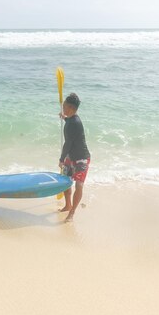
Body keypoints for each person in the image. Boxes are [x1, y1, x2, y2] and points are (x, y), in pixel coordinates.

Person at [58, 93, 91, 222]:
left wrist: (61, 159)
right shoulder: (71, 119)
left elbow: (68, 143)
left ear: (71, 108)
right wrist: (64, 118)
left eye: (64, 107)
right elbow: (70, 122)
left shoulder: (74, 123)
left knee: (78, 185)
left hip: (81, 159)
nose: (63, 108)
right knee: (66, 181)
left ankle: (72, 213)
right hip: (71, 156)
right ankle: (68, 205)